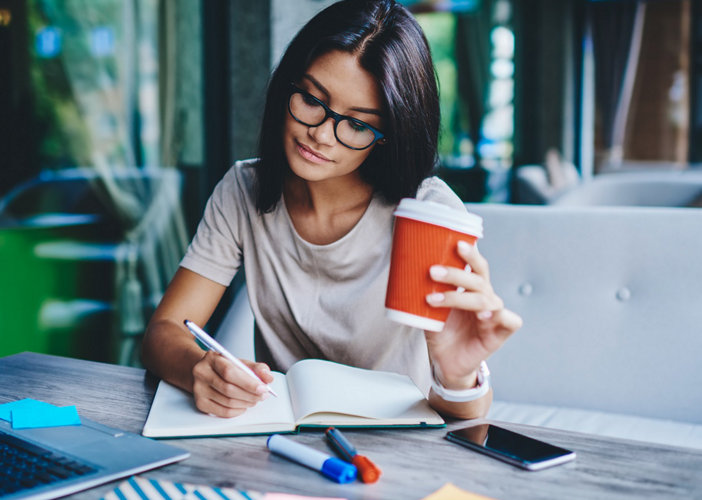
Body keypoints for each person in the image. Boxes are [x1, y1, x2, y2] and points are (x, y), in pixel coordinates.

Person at [141, 0, 522, 421]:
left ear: (388, 135)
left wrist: (457, 373)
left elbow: (467, 420)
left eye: (357, 124)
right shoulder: (244, 190)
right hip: (284, 441)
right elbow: (164, 331)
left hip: (398, 447)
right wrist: (201, 369)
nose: (321, 134)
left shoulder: (426, 214)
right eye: (310, 98)